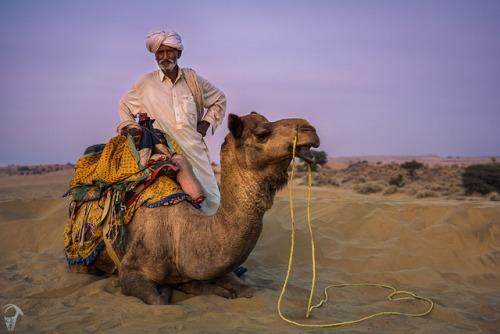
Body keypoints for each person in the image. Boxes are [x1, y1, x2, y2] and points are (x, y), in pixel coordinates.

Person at [119, 30, 226, 215]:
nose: (165, 56)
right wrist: (132, 128)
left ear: (179, 53)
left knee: (212, 200)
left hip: (194, 150)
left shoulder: (194, 81)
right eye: (160, 52)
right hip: (163, 151)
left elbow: (220, 100)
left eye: (170, 51)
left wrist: (207, 123)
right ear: (155, 56)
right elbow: (124, 105)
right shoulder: (145, 83)